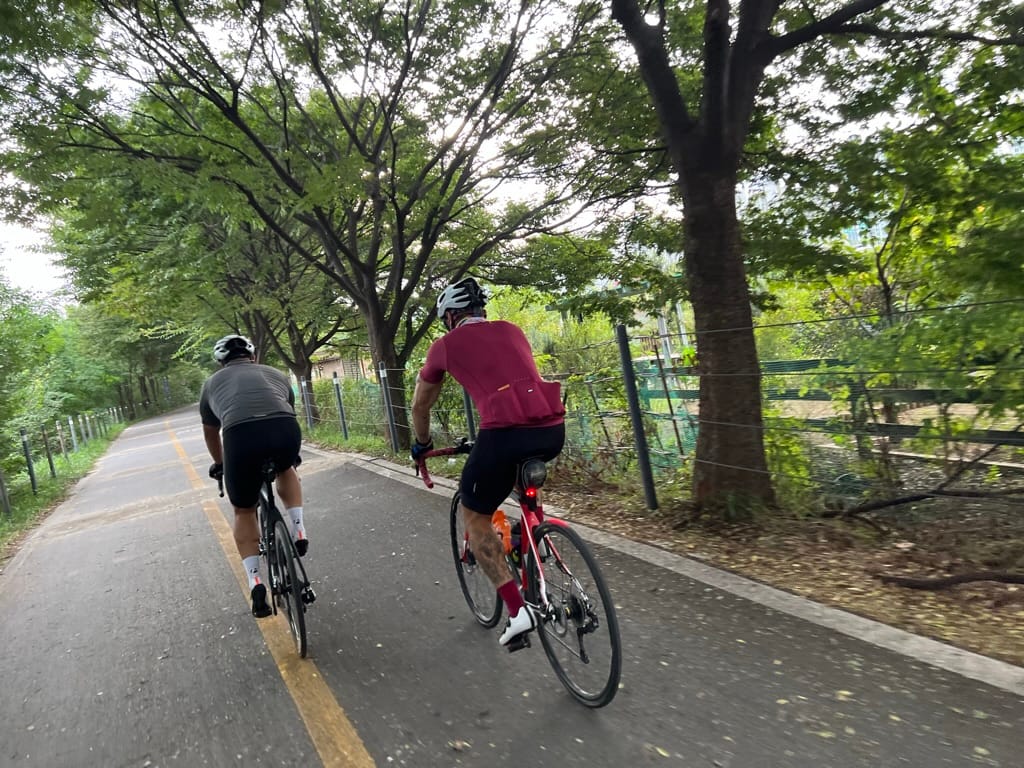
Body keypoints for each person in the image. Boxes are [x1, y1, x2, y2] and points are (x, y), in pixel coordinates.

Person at [410, 277, 565, 647]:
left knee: (475, 514)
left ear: (450, 316)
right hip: (551, 429)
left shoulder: (445, 346)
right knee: (520, 481)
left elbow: (420, 405)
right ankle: (532, 534)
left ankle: (518, 611)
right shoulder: (512, 331)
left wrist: (422, 445)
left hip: (503, 434)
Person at [199, 334, 309, 619]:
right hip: (285, 428)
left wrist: (221, 464)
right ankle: (298, 529)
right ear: (252, 356)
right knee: (286, 468)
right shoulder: (275, 373)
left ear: (221, 362)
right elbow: (287, 408)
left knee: (244, 510)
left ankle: (256, 582)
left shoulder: (211, 384)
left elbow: (211, 433)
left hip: (240, 436)